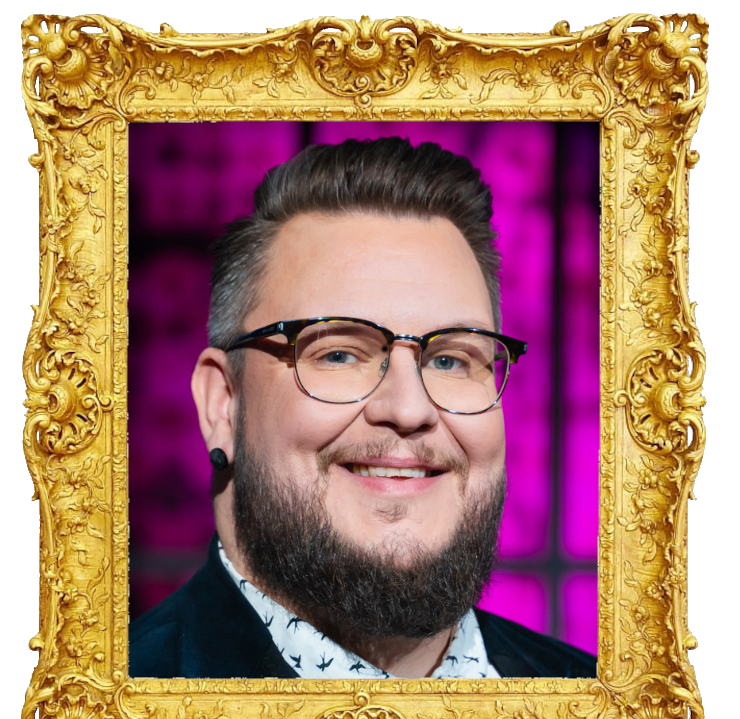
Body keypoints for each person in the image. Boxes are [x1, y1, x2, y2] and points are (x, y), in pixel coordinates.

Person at [129, 137, 596, 680]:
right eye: (341, 353)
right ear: (222, 405)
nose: (408, 407)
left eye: (449, 360)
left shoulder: (609, 718)